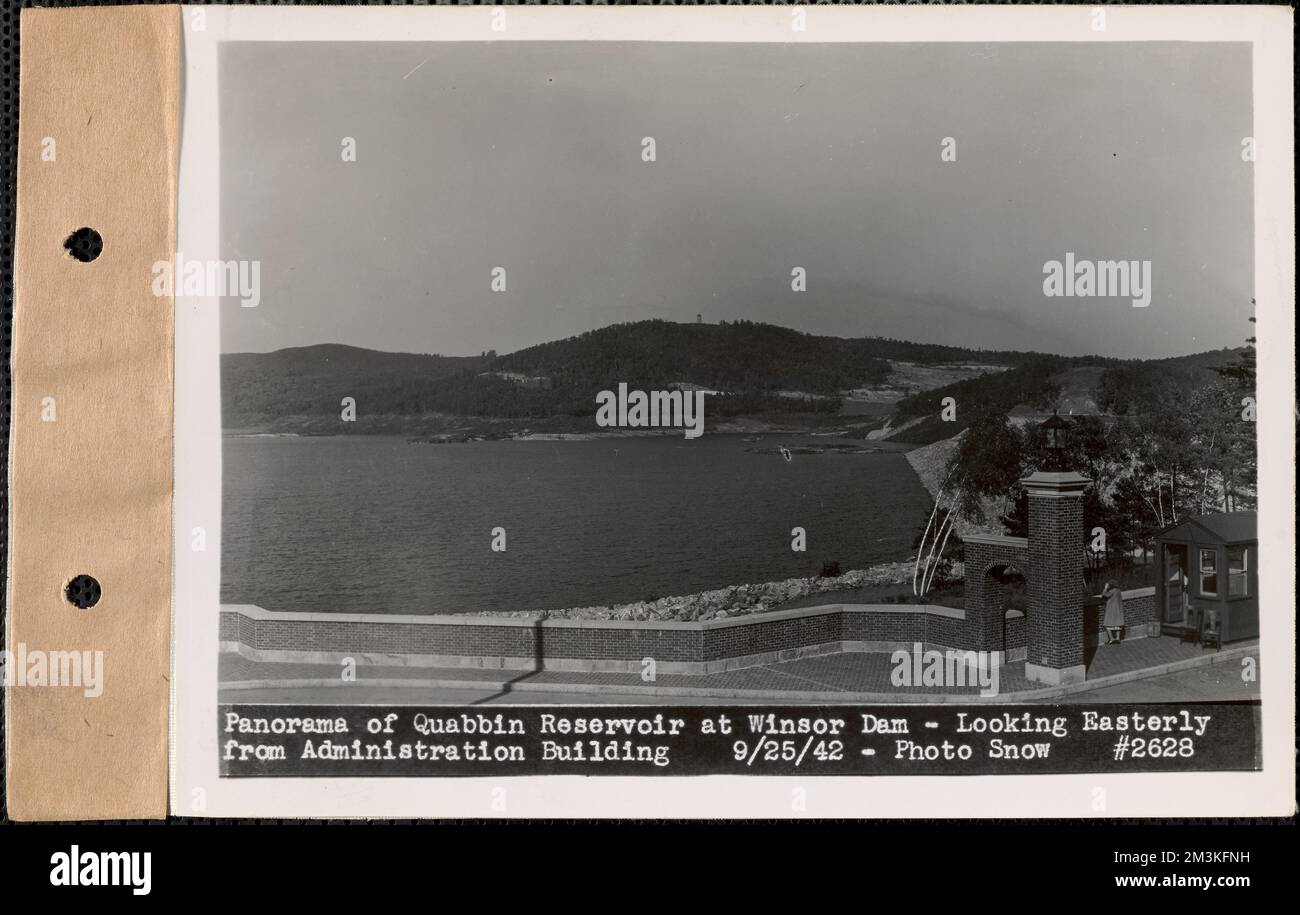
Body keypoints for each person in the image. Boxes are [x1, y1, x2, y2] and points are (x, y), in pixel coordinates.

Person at [1102, 580, 1124, 645]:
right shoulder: (1118, 590)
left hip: (1111, 610)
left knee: (1107, 624)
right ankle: (1118, 638)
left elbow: (1104, 595)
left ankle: (1111, 639)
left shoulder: (1112, 591)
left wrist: (1105, 588)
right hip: (1118, 609)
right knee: (1117, 624)